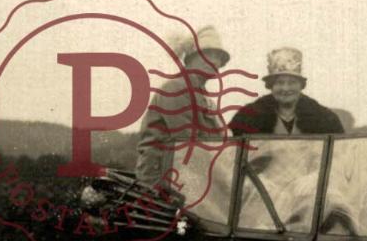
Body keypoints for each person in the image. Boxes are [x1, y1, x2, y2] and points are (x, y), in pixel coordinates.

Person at [134, 26, 232, 191]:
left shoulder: (201, 95)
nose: (216, 62)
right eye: (209, 54)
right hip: (160, 186)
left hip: (187, 180)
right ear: (191, 58)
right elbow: (190, 145)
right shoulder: (176, 89)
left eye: (219, 57)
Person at [228, 47, 345, 137]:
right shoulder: (247, 117)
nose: (285, 88)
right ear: (271, 86)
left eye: (292, 82)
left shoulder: (324, 118)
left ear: (301, 85)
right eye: (279, 82)